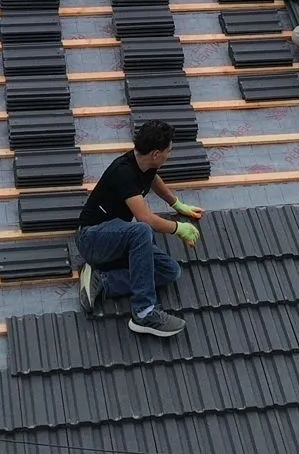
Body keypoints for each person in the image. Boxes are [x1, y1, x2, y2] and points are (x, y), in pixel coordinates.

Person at [74, 119, 203, 338]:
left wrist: (176, 204)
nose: (170, 155)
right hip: (92, 239)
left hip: (117, 239)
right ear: (155, 153)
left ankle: (101, 281)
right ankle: (144, 312)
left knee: (169, 271)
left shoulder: (144, 164)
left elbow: (153, 179)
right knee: (142, 230)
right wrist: (178, 228)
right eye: (168, 151)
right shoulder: (123, 172)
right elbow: (145, 218)